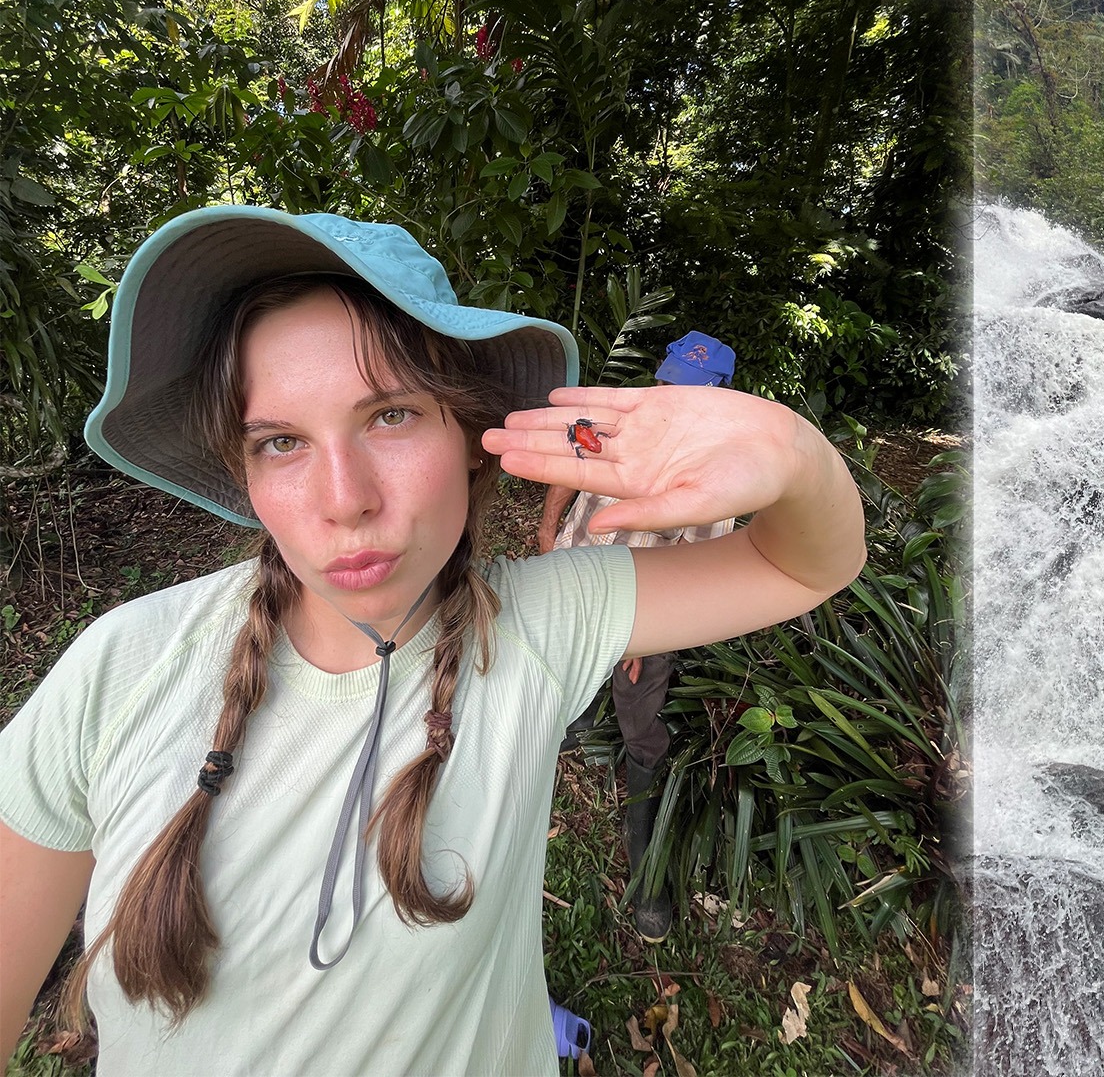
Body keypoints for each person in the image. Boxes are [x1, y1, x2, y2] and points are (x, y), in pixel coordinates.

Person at [0, 206, 865, 1075]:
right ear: (246, 473)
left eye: (391, 417)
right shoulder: (122, 667)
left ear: (472, 440)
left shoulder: (541, 628)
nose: (345, 499)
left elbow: (801, 567)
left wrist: (795, 454)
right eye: (281, 441)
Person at [536, 479, 732, 942]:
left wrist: (643, 626)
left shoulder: (708, 451)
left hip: (645, 600)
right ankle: (580, 716)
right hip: (578, 560)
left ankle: (641, 833)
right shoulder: (612, 408)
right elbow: (574, 462)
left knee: (641, 709)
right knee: (568, 656)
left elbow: (693, 567)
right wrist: (549, 532)